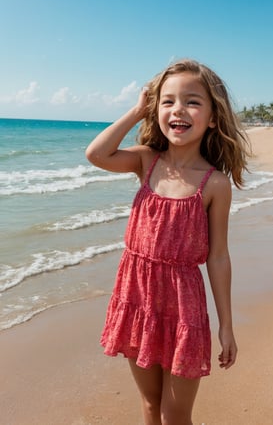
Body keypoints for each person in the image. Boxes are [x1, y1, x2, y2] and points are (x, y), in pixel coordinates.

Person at [86, 59, 249, 425]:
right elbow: (96, 154)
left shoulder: (215, 184)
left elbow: (219, 257)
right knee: (149, 405)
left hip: (183, 307)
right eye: (167, 101)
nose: (178, 109)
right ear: (155, 110)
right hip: (138, 299)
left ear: (212, 118)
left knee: (174, 414)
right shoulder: (146, 161)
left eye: (192, 101)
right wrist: (136, 111)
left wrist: (226, 325)